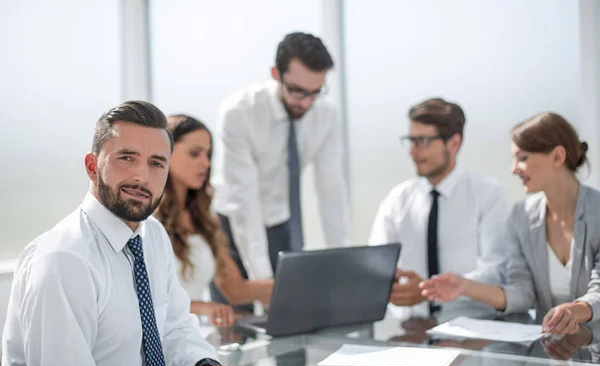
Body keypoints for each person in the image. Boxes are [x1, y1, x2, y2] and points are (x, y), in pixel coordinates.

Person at [0, 101, 239, 366]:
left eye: (156, 163)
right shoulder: (64, 261)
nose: (142, 176)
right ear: (91, 166)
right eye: (127, 158)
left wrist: (203, 364)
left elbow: (175, 326)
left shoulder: (152, 236)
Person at [421, 111, 600, 335]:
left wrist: (576, 310)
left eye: (523, 158)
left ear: (557, 157)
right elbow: (521, 293)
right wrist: (465, 286)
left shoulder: (596, 212)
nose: (513, 168)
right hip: (554, 351)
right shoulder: (521, 215)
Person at [211, 31, 350, 302]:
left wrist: (341, 264)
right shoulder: (240, 112)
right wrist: (264, 284)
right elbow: (244, 201)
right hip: (230, 228)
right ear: (276, 73)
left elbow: (332, 189)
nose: (306, 102)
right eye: (298, 91)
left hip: (281, 223)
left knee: (291, 315)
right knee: (235, 323)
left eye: (315, 92)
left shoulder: (326, 116)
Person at [369, 97, 510, 320]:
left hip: (474, 329)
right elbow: (375, 260)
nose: (412, 152)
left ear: (454, 143)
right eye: (410, 141)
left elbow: (497, 272)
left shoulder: (489, 195)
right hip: (410, 329)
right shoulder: (398, 199)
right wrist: (389, 281)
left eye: (423, 141)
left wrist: (427, 290)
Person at [155, 114, 273, 328]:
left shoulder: (203, 219)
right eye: (194, 153)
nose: (206, 163)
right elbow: (141, 302)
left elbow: (236, 290)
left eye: (208, 154)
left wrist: (300, 284)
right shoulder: (144, 220)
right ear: (165, 154)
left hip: (192, 336)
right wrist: (202, 307)